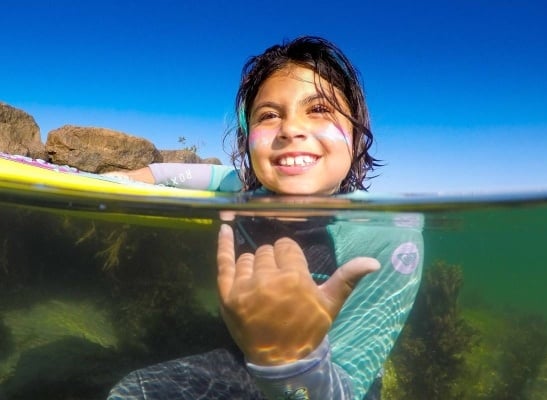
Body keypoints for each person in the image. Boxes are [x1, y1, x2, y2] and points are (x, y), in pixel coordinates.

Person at [107, 36, 424, 399]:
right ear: (247, 138)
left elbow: (346, 390)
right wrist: (118, 180)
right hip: (245, 360)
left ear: (355, 136)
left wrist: (290, 363)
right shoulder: (239, 187)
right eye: (269, 115)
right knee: (132, 393)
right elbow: (170, 174)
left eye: (319, 109)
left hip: (327, 380)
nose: (290, 129)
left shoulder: (388, 237)